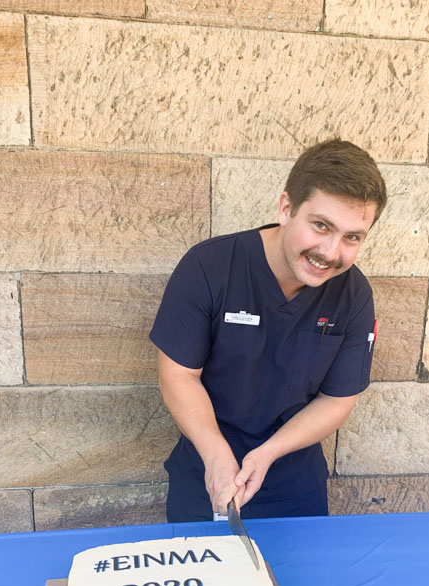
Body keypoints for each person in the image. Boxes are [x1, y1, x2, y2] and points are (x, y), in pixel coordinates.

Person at [150, 138, 387, 522]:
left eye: (352, 237)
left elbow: (338, 399)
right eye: (321, 226)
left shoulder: (353, 294)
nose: (330, 251)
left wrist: (269, 452)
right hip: (205, 476)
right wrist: (215, 454)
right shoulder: (209, 267)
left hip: (294, 486)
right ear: (286, 207)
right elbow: (178, 375)